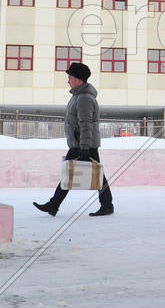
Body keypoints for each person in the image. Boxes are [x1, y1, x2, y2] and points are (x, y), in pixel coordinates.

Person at [34, 62, 114, 217]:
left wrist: (85, 147)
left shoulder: (84, 98)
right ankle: (55, 205)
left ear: (77, 79)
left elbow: (86, 124)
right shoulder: (78, 96)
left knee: (79, 174)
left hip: (83, 144)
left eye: (70, 76)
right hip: (80, 143)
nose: (68, 80)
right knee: (78, 174)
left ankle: (55, 205)